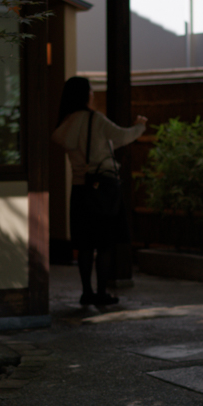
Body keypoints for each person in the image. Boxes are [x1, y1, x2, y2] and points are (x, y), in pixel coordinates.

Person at [51, 76, 147, 306]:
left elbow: (57, 139)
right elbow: (122, 136)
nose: (93, 94)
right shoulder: (96, 120)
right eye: (91, 91)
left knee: (84, 244)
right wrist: (140, 125)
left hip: (80, 188)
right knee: (104, 244)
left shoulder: (66, 122)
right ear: (85, 95)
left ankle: (87, 292)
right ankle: (101, 293)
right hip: (103, 187)